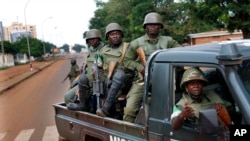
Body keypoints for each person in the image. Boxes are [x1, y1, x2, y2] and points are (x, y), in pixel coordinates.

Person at [123, 12, 181, 122]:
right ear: (145, 27)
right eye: (150, 25)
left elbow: (180, 51)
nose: (153, 27)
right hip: (143, 79)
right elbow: (127, 60)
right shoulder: (136, 43)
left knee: (170, 107)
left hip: (164, 79)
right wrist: (140, 67)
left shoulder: (168, 41)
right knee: (130, 110)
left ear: (160, 27)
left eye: (156, 25)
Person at [96, 23, 134, 118]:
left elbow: (136, 63)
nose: (115, 36)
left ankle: (106, 108)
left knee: (119, 75)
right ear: (108, 36)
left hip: (125, 81)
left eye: (117, 33)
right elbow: (98, 62)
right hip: (108, 80)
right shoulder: (103, 49)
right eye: (112, 34)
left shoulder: (128, 47)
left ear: (121, 35)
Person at [65, 29, 105, 113]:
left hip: (99, 83)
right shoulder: (91, 50)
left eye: (94, 38)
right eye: (90, 39)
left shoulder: (104, 50)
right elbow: (87, 64)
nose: (92, 40)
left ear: (99, 39)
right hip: (86, 82)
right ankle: (82, 110)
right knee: (68, 97)